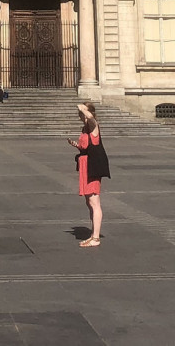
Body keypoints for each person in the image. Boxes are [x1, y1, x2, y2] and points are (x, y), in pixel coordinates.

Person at [67, 101, 109, 247]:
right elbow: (86, 146)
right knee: (89, 202)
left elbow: (91, 118)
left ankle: (96, 238)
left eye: (81, 113)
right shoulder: (85, 128)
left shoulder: (93, 125)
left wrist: (83, 108)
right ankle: (93, 234)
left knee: (94, 201)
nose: (79, 115)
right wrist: (77, 145)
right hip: (85, 166)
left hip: (93, 167)